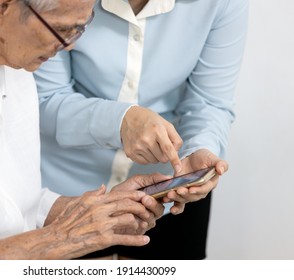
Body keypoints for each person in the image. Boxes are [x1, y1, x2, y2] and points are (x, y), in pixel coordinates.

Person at [0, 0, 181, 260]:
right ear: (0, 8)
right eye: (62, 29)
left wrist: (102, 212)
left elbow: (17, 205)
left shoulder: (15, 65)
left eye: (81, 28)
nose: (70, 46)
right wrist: (61, 239)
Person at [34, 0, 248, 259]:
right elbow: (45, 99)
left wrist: (201, 148)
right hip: (63, 192)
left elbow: (209, 102)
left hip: (167, 195)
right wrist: (121, 121)